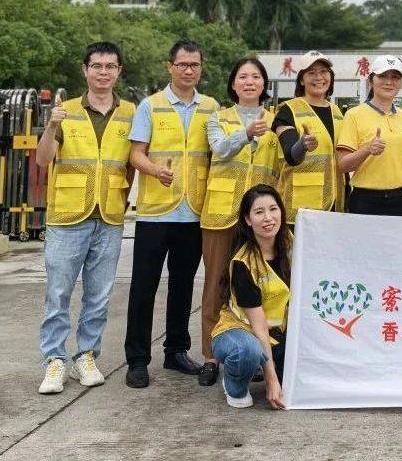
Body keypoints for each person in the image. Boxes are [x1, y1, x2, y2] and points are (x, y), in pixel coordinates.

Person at [36, 42, 135, 394]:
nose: (103, 72)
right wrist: (50, 126)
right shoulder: (67, 111)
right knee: (59, 291)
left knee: (99, 295)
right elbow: (42, 160)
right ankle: (54, 360)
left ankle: (86, 355)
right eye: (97, 66)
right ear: (85, 70)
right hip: (67, 216)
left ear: (119, 71)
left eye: (110, 66)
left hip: (108, 216)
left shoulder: (130, 113)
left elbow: (132, 161)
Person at [124, 39, 219, 389]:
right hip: (155, 213)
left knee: (182, 286)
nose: (188, 70)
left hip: (194, 212)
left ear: (201, 67)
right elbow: (136, 154)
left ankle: (176, 351)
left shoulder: (211, 107)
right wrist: (153, 170)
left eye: (194, 64)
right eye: (182, 64)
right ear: (170, 67)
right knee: (143, 288)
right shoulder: (151, 106)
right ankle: (137, 359)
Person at [198, 58, 280, 387]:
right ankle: (209, 356)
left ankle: (257, 353)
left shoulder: (277, 122)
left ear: (264, 84)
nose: (249, 82)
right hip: (221, 214)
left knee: (256, 288)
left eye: (256, 77)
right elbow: (220, 149)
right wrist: (246, 133)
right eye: (242, 76)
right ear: (233, 84)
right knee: (216, 285)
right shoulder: (218, 118)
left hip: (259, 220)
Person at [211, 184, 290, 410]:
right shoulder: (243, 263)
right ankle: (234, 383)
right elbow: (259, 326)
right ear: (247, 219)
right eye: (259, 212)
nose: (268, 218)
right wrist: (271, 380)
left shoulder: (292, 245)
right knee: (248, 351)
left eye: (273, 209)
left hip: (277, 334)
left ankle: (259, 365)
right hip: (239, 332)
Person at [336, 55, 402, 216]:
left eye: (395, 77)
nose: (389, 82)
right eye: (383, 76)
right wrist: (367, 149)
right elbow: (343, 165)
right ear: (371, 80)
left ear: (401, 83)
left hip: (401, 199)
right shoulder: (354, 115)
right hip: (365, 200)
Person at [271, 50, 344, 222]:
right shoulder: (288, 110)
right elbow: (291, 156)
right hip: (300, 208)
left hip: (334, 204)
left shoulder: (337, 112)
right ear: (302, 80)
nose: (319, 77)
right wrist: (302, 145)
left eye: (324, 72)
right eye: (311, 73)